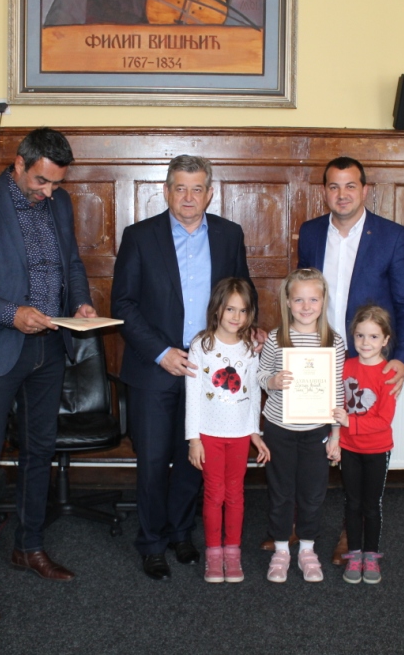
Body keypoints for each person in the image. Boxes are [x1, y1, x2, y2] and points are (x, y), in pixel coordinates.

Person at [0, 128, 97, 624]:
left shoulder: (59, 202)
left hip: (48, 347)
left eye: (56, 184)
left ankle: (28, 547)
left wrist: (80, 302)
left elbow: (71, 263)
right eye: (41, 181)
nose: (48, 192)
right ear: (19, 163)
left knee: (39, 452)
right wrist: (12, 314)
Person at [111, 154, 257, 581]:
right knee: (154, 460)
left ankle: (180, 532)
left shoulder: (229, 234)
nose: (189, 197)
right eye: (180, 188)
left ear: (209, 194)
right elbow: (123, 304)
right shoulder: (139, 237)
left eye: (197, 189)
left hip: (212, 368)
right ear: (166, 191)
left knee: (196, 457)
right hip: (155, 366)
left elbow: (243, 293)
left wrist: (251, 329)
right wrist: (162, 352)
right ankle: (152, 543)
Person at [296, 156, 404, 563]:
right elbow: (301, 292)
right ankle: (302, 523)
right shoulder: (311, 232)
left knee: (358, 446)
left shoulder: (392, 236)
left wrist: (402, 359)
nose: (342, 194)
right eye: (334, 186)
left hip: (367, 360)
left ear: (365, 190)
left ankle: (352, 533)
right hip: (317, 354)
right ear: (324, 191)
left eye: (350, 185)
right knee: (310, 438)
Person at [256, 268, 345, 583]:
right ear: (287, 302)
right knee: (281, 492)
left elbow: (337, 391)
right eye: (298, 300)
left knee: (312, 493)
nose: (306, 307)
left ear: (323, 301)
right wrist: (273, 381)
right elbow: (260, 375)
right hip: (279, 429)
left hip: (316, 432)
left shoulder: (333, 341)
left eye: (313, 299)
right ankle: (281, 549)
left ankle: (307, 548)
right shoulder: (276, 338)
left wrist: (335, 436)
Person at [185, 277, 270, 583]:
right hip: (208, 434)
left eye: (243, 311)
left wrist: (255, 432)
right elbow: (193, 394)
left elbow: (254, 393)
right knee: (214, 494)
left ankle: (232, 552)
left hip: (239, 435)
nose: (236, 316)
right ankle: (213, 553)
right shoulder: (201, 345)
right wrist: (193, 439)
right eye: (230, 309)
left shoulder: (250, 348)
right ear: (217, 309)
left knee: (235, 494)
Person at [334, 305, 397, 585]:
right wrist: (336, 436)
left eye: (373, 336)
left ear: (385, 340)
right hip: (349, 448)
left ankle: (371, 555)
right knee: (352, 502)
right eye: (360, 335)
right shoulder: (346, 366)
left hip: (377, 450)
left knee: (371, 505)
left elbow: (384, 420)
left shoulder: (388, 373)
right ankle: (354, 553)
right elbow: (337, 403)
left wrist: (351, 422)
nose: (365, 342)